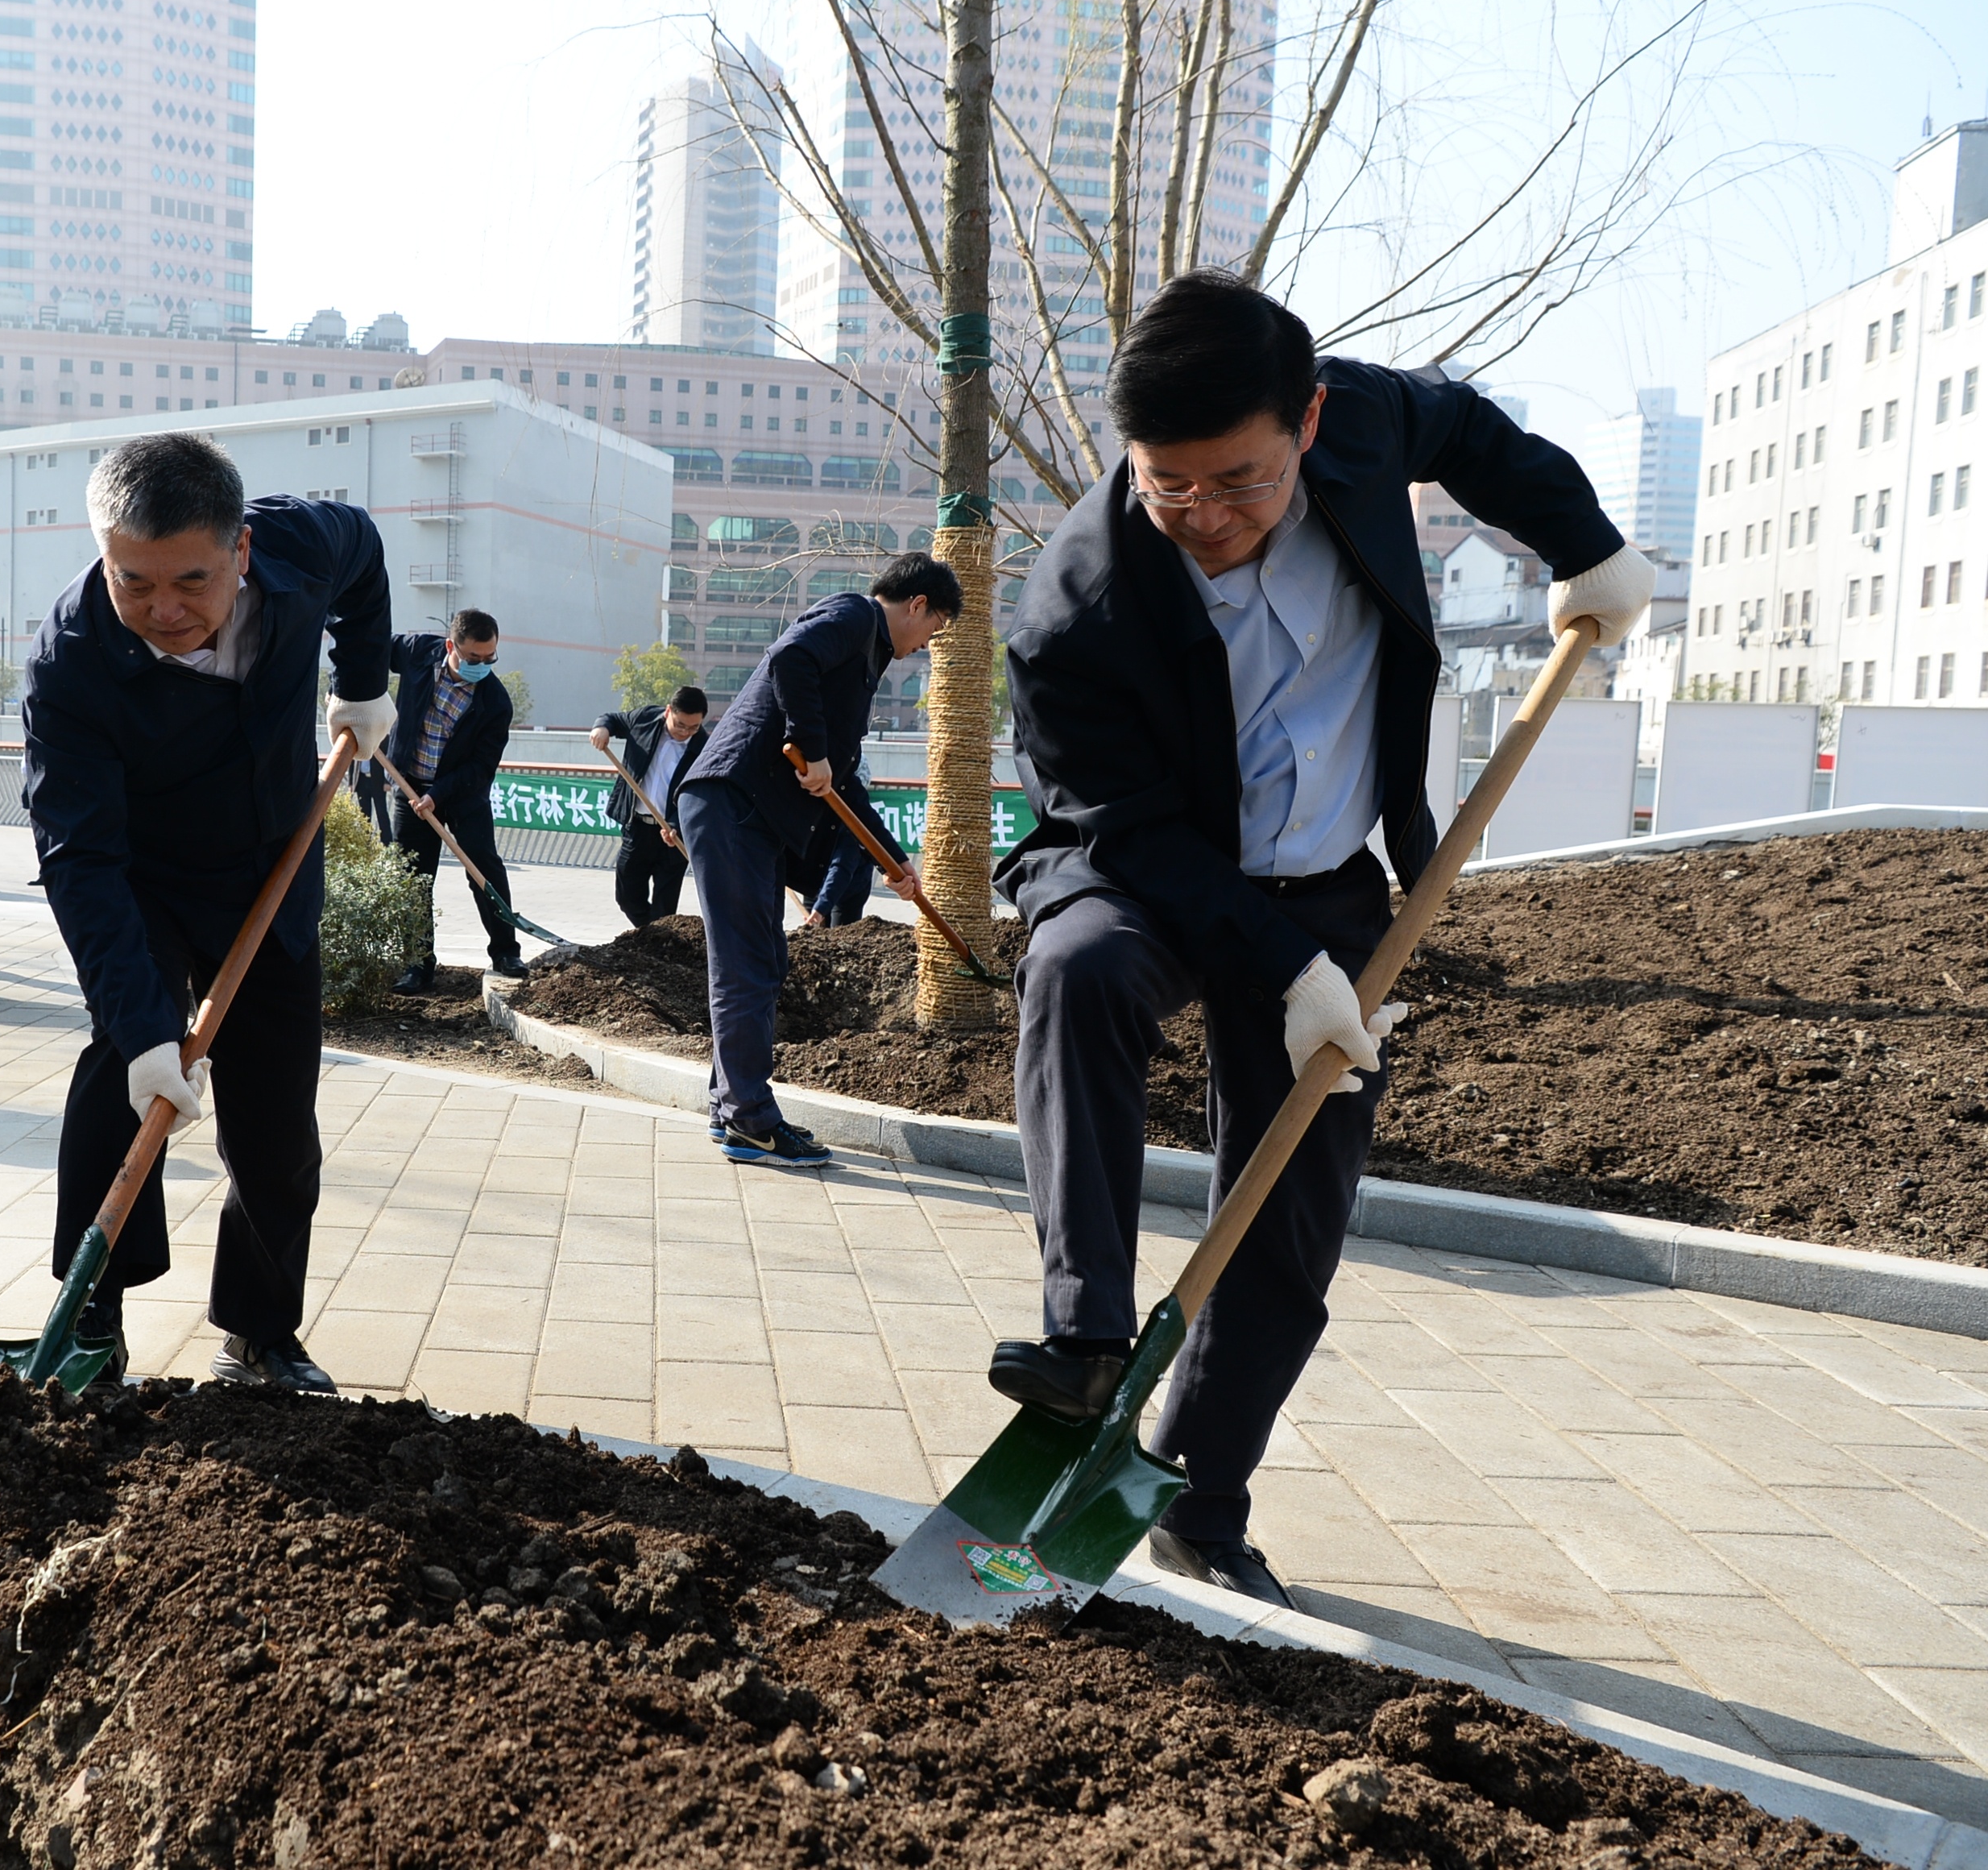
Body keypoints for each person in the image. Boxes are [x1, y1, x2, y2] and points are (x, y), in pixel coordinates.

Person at [989, 270, 1654, 1609]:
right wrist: (1281, 969)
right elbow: (1129, 829)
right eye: (1169, 487)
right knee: (1078, 970)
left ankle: (1198, 1506)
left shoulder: (1366, 421)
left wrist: (1582, 545)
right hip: (1149, 874)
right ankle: (1088, 1343)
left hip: (1333, 881)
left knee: (1289, 1223)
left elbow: (1472, 432)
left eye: (1239, 481)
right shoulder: (1074, 607)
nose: (1206, 517)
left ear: (1307, 420)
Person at [23, 430, 392, 1391]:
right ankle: (91, 1318)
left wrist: (362, 684)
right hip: (141, 876)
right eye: (133, 581)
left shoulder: (301, 544)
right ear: (103, 553)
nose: (164, 610)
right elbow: (80, 856)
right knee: (121, 1079)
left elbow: (365, 551)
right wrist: (148, 1030)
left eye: (191, 580)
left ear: (241, 550)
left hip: (270, 869)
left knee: (278, 1121)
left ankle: (261, 1332)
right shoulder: (69, 659)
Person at [674, 551, 962, 1167]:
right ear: (917, 605)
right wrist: (810, 742)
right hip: (732, 803)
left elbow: (842, 781)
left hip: (750, 816)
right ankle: (751, 1120)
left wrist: (893, 860)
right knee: (748, 965)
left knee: (763, 961)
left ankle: (732, 1109)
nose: (925, 647)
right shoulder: (855, 616)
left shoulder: (865, 659)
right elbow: (790, 658)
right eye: (934, 630)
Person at [383, 607, 517, 993]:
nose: (482, 665)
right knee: (413, 878)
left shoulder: (496, 702)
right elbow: (367, 649)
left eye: (490, 657)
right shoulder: (417, 653)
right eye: (474, 657)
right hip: (411, 786)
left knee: (484, 869)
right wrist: (344, 690)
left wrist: (438, 794)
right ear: (450, 647)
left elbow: (481, 767)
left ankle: (506, 951)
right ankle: (417, 963)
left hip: (463, 795)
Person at [593, 683, 710, 927]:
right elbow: (613, 719)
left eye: (694, 727)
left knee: (664, 908)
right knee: (627, 896)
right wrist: (602, 728)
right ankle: (651, 935)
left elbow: (702, 796)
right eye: (680, 725)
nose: (686, 732)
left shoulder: (705, 748)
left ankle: (658, 940)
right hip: (637, 827)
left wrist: (677, 825)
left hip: (674, 836)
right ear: (668, 712)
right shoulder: (645, 719)